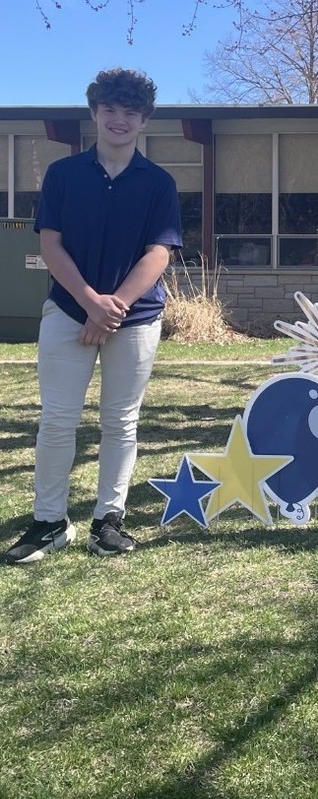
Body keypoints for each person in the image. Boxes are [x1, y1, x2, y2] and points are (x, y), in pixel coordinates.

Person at [4, 69, 182, 565]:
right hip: (67, 311)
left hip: (137, 317)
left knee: (121, 423)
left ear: (143, 120)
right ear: (94, 114)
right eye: (111, 110)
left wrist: (112, 308)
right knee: (57, 421)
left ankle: (109, 521)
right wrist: (90, 303)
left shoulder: (159, 183)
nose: (119, 119)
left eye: (130, 111)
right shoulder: (63, 175)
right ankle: (49, 523)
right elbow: (50, 243)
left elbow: (159, 253)